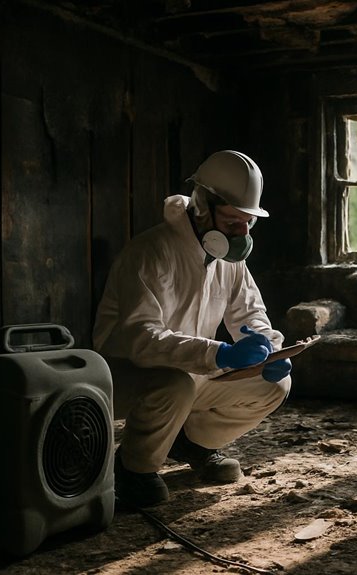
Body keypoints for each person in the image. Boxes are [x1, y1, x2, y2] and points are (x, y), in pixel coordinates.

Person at [93, 150, 292, 507]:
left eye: (249, 222)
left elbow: (251, 314)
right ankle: (133, 468)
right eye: (233, 222)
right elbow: (142, 341)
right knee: (175, 384)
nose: (242, 233)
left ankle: (193, 442)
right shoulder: (150, 253)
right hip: (125, 375)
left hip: (191, 372)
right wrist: (220, 353)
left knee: (274, 385)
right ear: (203, 206)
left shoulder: (228, 259)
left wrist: (270, 348)